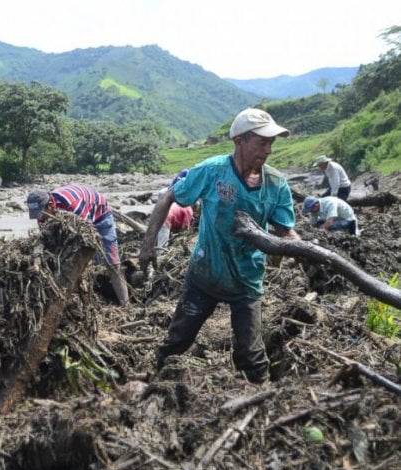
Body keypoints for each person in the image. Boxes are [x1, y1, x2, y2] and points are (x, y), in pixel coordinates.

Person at [140, 108, 300, 384]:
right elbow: (170, 196)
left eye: (271, 142)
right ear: (240, 141)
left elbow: (286, 231)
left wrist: (305, 253)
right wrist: (147, 245)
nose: (269, 150)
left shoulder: (276, 184)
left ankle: (261, 398)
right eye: (262, 142)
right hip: (206, 274)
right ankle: (153, 382)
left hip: (246, 280)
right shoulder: (213, 171)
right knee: (178, 340)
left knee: (250, 353)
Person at [27, 184, 129, 306]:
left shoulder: (72, 205)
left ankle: (125, 304)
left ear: (50, 205)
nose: (40, 218)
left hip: (100, 216)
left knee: (112, 263)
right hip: (80, 216)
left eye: (41, 214)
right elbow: (46, 237)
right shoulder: (44, 213)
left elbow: (87, 235)